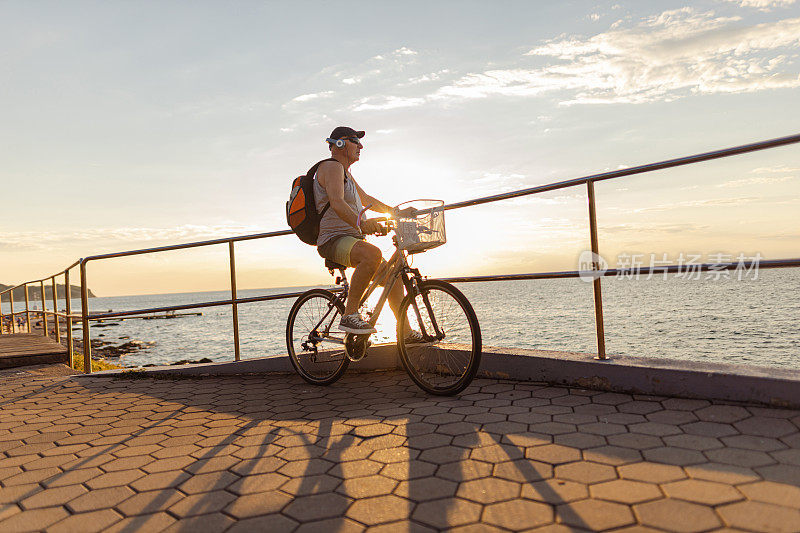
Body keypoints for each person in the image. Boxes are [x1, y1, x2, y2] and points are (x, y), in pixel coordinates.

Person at [314, 126, 417, 338]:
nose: (361, 146)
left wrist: (396, 212)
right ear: (340, 143)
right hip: (332, 240)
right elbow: (337, 203)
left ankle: (405, 332)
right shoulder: (331, 167)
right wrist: (361, 223)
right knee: (373, 254)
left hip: (350, 239)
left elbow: (367, 199)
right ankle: (349, 315)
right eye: (355, 141)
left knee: (392, 277)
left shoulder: (346, 174)